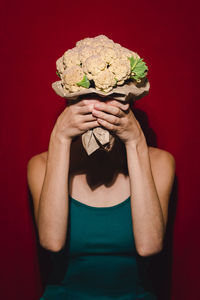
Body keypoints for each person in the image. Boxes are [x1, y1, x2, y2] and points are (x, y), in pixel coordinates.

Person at [27, 95, 176, 299]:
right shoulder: (41, 165)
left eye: (110, 98)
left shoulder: (159, 162)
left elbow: (149, 245)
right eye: (89, 97)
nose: (99, 108)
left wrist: (136, 141)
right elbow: (51, 241)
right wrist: (60, 138)